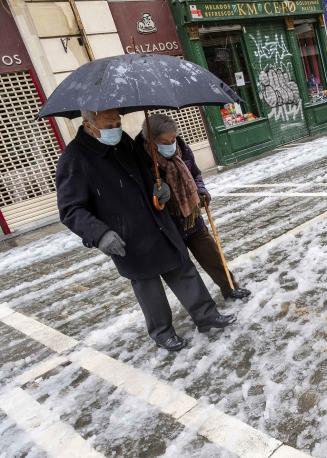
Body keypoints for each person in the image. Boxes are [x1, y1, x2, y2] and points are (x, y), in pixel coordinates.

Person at [56, 109, 236, 352]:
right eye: (109, 123)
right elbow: (70, 209)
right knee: (148, 288)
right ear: (89, 124)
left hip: (159, 222)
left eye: (117, 121)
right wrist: (99, 234)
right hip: (126, 236)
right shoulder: (75, 158)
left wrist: (157, 189)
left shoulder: (125, 142)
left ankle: (207, 316)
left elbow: (146, 172)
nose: (116, 127)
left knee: (183, 271)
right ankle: (162, 333)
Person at [135, 113, 251, 302]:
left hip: (192, 217)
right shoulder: (140, 159)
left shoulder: (181, 148)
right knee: (184, 272)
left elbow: (195, 174)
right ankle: (203, 309)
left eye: (173, 138)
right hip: (168, 225)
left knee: (212, 256)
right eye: (166, 141)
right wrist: (154, 192)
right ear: (151, 140)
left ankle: (230, 288)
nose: (172, 144)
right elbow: (137, 194)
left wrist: (201, 190)